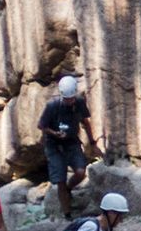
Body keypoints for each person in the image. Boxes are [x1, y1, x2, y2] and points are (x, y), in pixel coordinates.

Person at [39, 73, 100, 218]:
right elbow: (42, 126)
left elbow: (85, 122)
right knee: (60, 178)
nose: (70, 101)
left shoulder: (79, 102)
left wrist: (92, 142)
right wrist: (55, 133)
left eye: (71, 98)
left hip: (72, 142)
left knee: (80, 171)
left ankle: (68, 189)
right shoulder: (52, 106)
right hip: (54, 145)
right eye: (67, 99)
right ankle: (67, 214)